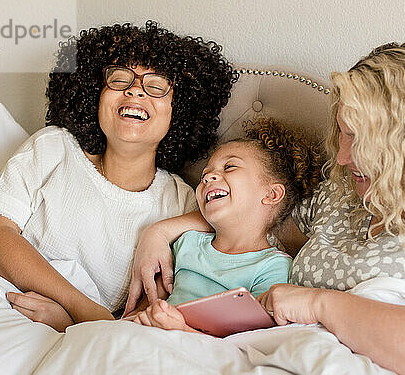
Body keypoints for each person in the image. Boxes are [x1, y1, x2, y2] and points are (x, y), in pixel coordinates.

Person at [125, 41, 405, 375]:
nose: (343, 155)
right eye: (342, 134)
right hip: (284, 363)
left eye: (358, 137)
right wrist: (160, 232)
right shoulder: (342, 196)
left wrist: (317, 303)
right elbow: (255, 208)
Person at [0, 21, 237, 332]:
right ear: (95, 95)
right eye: (119, 79)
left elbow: (153, 306)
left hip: (90, 337)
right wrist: (83, 312)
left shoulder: (181, 202)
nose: (134, 89)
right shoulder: (53, 147)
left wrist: (158, 232)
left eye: (156, 85)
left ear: (179, 111)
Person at [128, 118, 323, 332]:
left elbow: (247, 343)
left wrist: (181, 330)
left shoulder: (272, 267)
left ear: (271, 194)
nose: (208, 177)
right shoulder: (187, 241)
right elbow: (151, 304)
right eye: (204, 175)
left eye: (229, 167)